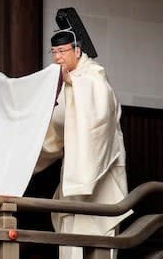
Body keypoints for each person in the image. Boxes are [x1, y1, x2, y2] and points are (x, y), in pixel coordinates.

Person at [34, 19, 132, 259]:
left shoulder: (93, 77)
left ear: (77, 51)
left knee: (99, 243)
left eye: (62, 51)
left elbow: (101, 111)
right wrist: (27, 161)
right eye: (54, 52)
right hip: (74, 175)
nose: (57, 57)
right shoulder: (65, 84)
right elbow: (54, 137)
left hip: (101, 177)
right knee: (70, 243)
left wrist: (73, 82)